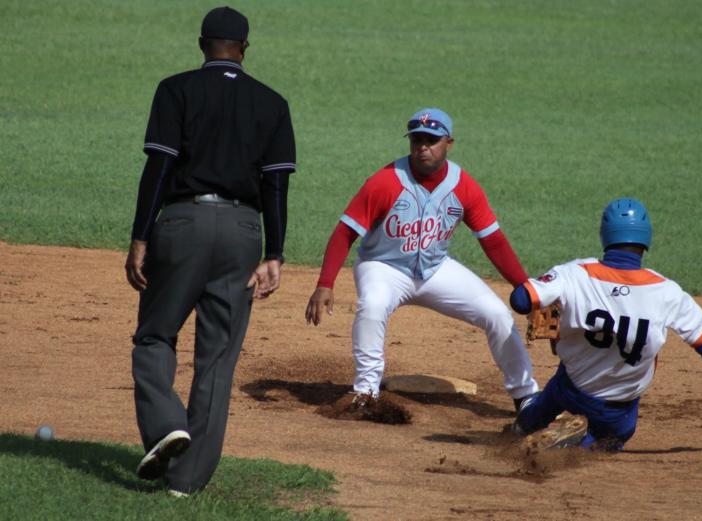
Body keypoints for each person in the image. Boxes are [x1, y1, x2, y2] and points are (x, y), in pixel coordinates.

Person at [124, 6, 296, 496]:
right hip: (244, 232)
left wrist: (140, 236)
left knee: (156, 336)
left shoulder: (175, 89)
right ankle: (186, 482)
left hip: (183, 224)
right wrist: (275, 253)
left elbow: (157, 169)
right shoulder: (272, 102)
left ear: (203, 43)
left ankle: (164, 425)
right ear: (245, 48)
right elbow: (276, 185)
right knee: (218, 358)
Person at [305, 108, 539, 409]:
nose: (423, 147)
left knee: (496, 313)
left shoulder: (464, 186)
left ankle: (526, 396)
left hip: (435, 269)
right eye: (417, 140)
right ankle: (365, 392)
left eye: (431, 140)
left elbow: (493, 241)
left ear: (448, 143)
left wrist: (526, 287)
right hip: (383, 266)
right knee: (373, 304)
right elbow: (345, 232)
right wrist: (325, 283)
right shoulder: (384, 181)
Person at [508, 198, 702, 450]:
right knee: (611, 440)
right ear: (646, 240)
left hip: (571, 387)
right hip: (618, 408)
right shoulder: (667, 292)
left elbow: (520, 299)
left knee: (544, 403)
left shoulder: (574, 274)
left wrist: (552, 298)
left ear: (605, 235)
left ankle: (524, 426)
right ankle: (575, 445)